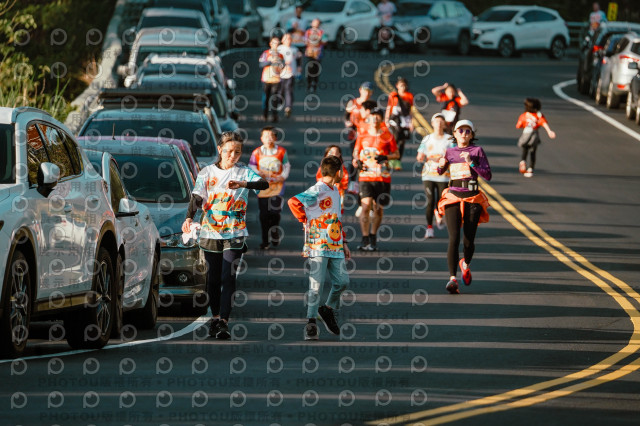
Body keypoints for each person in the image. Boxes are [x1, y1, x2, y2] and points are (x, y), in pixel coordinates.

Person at [182, 131, 269, 338]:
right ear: (220, 150)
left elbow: (264, 184)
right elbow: (197, 197)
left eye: (237, 152)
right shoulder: (207, 172)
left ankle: (224, 322)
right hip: (211, 231)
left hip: (235, 232)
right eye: (229, 151)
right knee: (213, 279)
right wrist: (189, 218)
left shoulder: (243, 172)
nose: (233, 156)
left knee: (227, 276)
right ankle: (214, 318)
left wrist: (243, 184)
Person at [288, 155, 351, 340]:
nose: (343, 173)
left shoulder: (335, 190)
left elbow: (336, 219)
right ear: (338, 172)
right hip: (318, 244)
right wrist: (305, 219)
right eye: (342, 170)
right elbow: (293, 202)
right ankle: (311, 324)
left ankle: (327, 309)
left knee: (342, 281)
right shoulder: (318, 189)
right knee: (316, 285)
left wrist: (344, 241)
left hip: (335, 244)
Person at [436, 120, 491, 295]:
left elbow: (488, 175)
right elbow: (440, 171)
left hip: (472, 197)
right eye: (460, 131)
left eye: (468, 131)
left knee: (468, 240)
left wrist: (472, 163)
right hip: (453, 196)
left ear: (472, 135)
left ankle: (465, 263)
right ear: (455, 133)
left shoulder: (477, 151)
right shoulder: (450, 152)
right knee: (454, 238)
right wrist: (441, 164)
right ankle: (452, 278)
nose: (464, 134)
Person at [352, 107, 399, 251]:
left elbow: (396, 154)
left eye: (378, 117)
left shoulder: (387, 135)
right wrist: (356, 161)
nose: (375, 119)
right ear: (369, 119)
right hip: (365, 176)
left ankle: (373, 235)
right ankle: (365, 237)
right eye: (372, 117)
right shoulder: (362, 135)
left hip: (382, 177)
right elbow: (356, 152)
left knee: (378, 208)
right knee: (366, 206)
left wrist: (386, 157)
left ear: (380, 119)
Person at [249, 126, 291, 249]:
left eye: (271, 136)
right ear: (261, 138)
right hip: (262, 187)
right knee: (264, 215)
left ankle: (274, 231)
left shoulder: (281, 152)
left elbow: (286, 165)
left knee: (274, 213)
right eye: (266, 136)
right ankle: (265, 240)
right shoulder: (256, 152)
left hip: (277, 187)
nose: (269, 139)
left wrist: (283, 176)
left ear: (275, 138)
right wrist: (258, 172)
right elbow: (251, 166)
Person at [416, 113, 452, 238]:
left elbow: (454, 155)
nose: (439, 124)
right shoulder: (427, 139)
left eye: (441, 121)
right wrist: (422, 157)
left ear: (444, 124)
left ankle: (439, 213)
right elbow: (420, 155)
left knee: (442, 200)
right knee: (430, 200)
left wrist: (445, 159)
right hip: (429, 174)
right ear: (432, 123)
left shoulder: (449, 139)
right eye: (436, 121)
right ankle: (429, 228)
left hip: (444, 175)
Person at [344, 82, 375, 191]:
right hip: (354, 134)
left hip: (367, 136)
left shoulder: (372, 105)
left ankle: (365, 181)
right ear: (360, 90)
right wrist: (348, 123)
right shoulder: (353, 102)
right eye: (365, 90)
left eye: (369, 91)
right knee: (354, 157)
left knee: (367, 158)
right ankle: (353, 182)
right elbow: (347, 116)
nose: (367, 93)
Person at [516, 98, 556, 178]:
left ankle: (523, 161)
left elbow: (518, 125)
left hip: (526, 133)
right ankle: (531, 168)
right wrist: (549, 131)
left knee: (525, 149)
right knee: (533, 151)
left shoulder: (524, 115)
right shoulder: (538, 115)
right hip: (534, 134)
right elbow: (544, 123)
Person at [385, 76, 414, 170]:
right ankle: (389, 160)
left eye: (404, 86)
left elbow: (410, 110)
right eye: (401, 85)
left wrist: (411, 122)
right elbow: (389, 107)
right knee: (394, 140)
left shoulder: (409, 96)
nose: (403, 87)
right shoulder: (393, 95)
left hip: (404, 121)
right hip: (395, 121)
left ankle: (397, 161)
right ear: (397, 86)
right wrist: (386, 120)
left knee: (402, 142)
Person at [259, 36, 284, 122]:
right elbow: (261, 64)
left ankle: (274, 115)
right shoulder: (266, 53)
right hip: (266, 79)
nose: (275, 45)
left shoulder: (280, 55)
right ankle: (265, 114)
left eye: (277, 43)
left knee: (274, 98)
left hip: (276, 79)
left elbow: (282, 66)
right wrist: (270, 61)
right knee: (265, 97)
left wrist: (279, 66)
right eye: (274, 43)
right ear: (270, 44)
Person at [277, 33, 302, 118]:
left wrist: (299, 68)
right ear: (282, 40)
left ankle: (288, 107)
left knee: (289, 89)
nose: (288, 40)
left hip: (291, 73)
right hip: (280, 73)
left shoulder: (294, 49)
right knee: (280, 90)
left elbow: (299, 59)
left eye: (289, 39)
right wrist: (283, 64)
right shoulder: (279, 49)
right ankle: (279, 102)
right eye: (286, 39)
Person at [304, 18, 327, 93]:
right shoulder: (308, 31)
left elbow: (325, 41)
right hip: (310, 52)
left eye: (317, 22)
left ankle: (314, 83)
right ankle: (309, 83)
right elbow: (305, 41)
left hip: (318, 53)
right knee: (310, 67)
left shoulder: (321, 32)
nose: (315, 24)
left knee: (316, 69)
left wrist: (320, 41)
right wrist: (311, 43)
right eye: (314, 22)